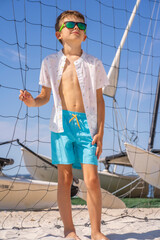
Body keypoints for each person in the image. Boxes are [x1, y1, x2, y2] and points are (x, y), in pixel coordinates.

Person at [19, 10, 109, 240]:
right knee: (65, 178)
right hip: (61, 125)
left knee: (91, 179)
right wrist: (31, 102)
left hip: (86, 126)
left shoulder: (94, 64)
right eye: (70, 24)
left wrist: (100, 132)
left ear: (85, 37)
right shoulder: (50, 62)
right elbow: (44, 97)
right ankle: (70, 231)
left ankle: (96, 231)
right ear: (59, 34)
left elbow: (100, 101)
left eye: (81, 25)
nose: (76, 27)